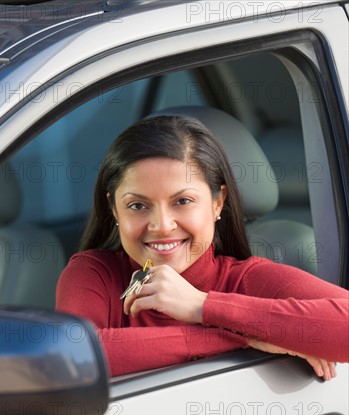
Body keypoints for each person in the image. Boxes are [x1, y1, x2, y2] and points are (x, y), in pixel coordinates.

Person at [56, 115, 349, 378]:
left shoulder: (245, 280)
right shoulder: (94, 273)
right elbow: (74, 357)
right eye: (137, 205)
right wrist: (241, 338)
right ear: (114, 209)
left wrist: (201, 306)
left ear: (217, 202)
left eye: (182, 201)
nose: (161, 225)